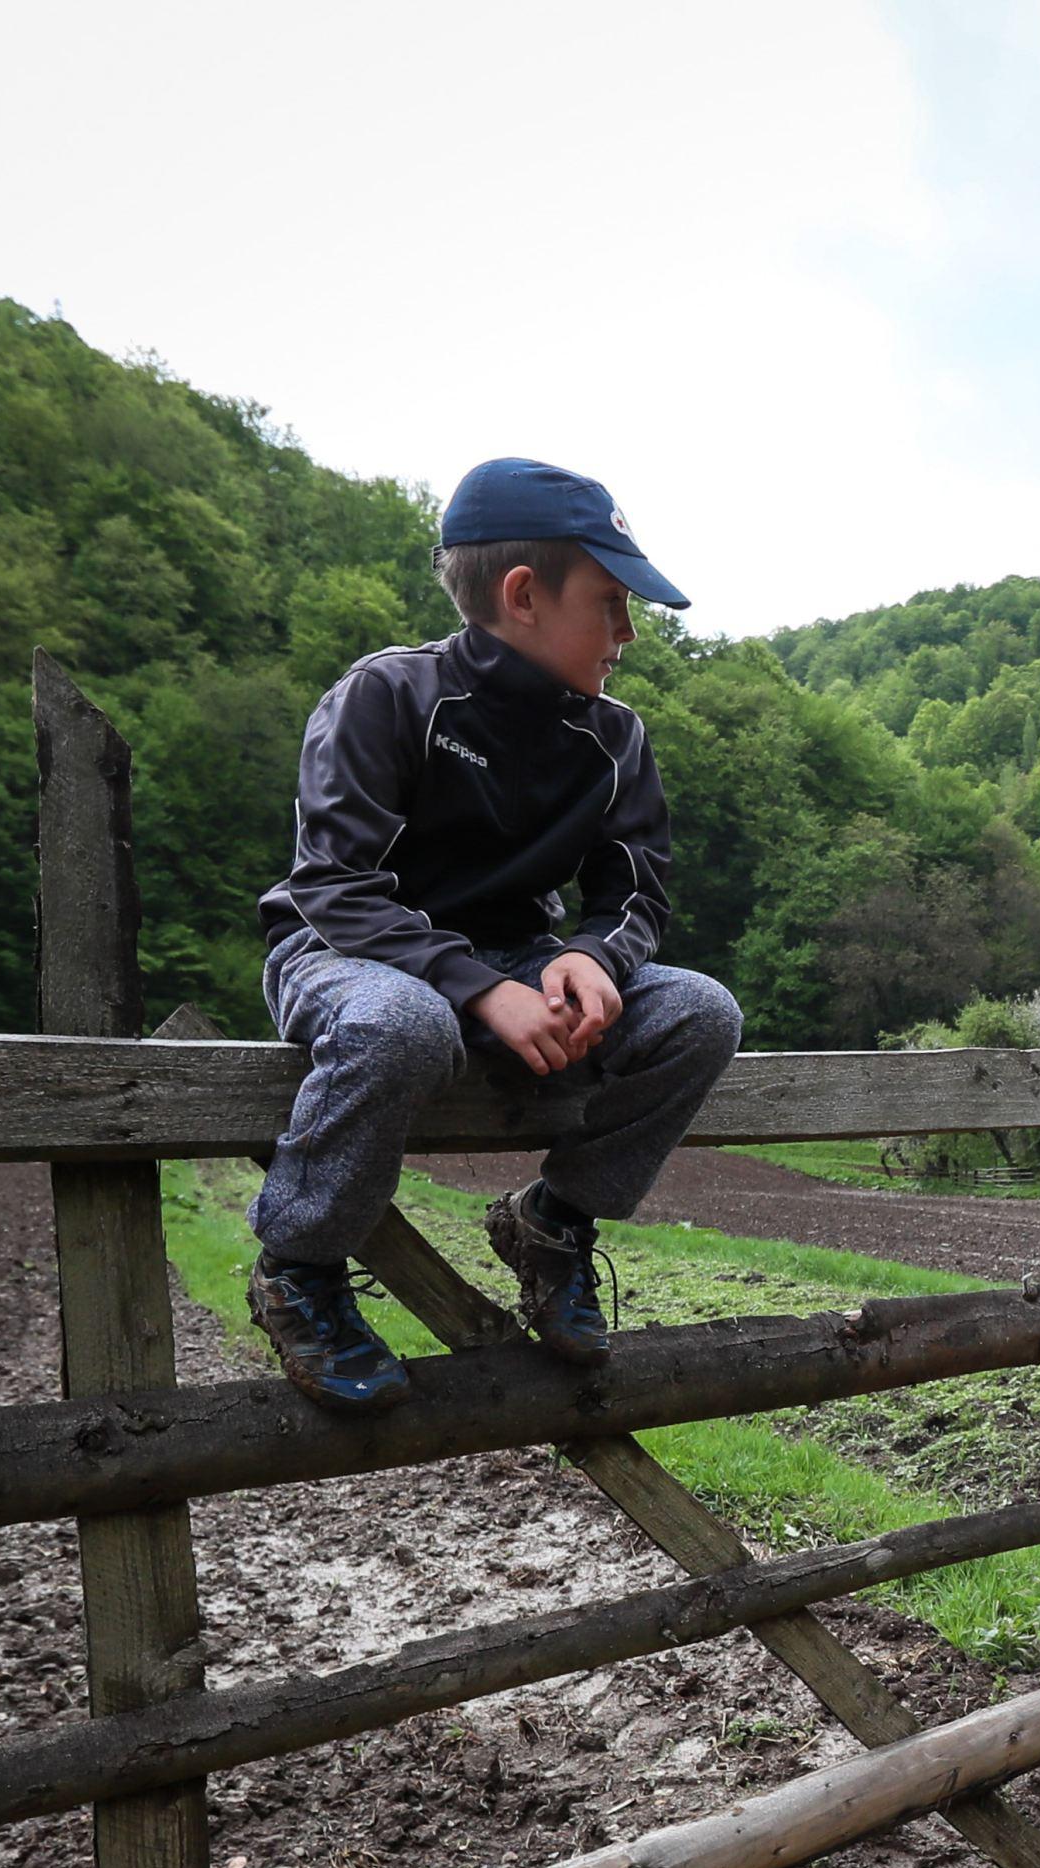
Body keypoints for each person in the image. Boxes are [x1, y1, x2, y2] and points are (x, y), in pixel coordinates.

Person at [244, 458, 743, 1413]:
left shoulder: (616, 737)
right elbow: (335, 884)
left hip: (516, 963)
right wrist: (477, 986)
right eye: (611, 603)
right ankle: (296, 1266)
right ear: (522, 596)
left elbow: (635, 888)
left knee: (701, 1012)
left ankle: (552, 1223)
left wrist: (590, 957)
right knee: (404, 1023)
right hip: (348, 956)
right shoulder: (386, 696)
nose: (629, 634)